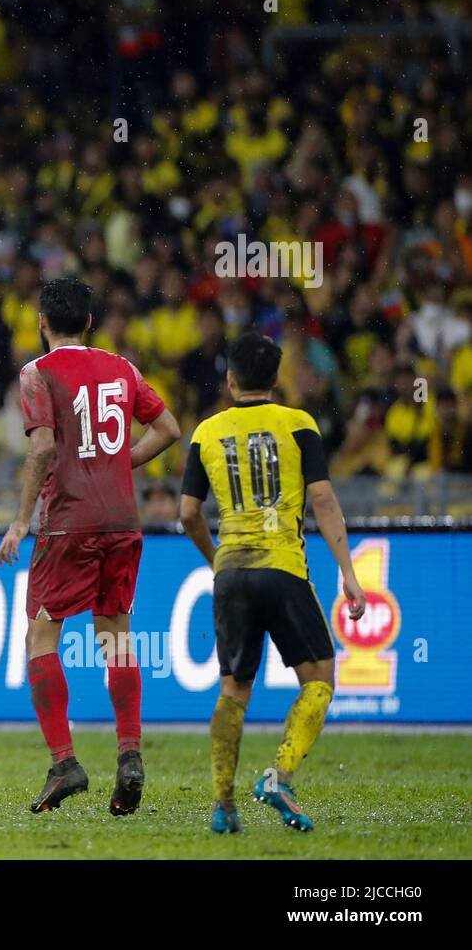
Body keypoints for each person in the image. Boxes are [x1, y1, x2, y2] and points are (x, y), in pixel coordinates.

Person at [0, 276, 180, 815]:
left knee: (41, 634)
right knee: (117, 636)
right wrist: (118, 462)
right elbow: (168, 428)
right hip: (123, 519)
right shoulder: (121, 369)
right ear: (90, 323)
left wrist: (19, 520)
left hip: (68, 522)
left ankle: (64, 763)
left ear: (41, 323)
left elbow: (43, 450)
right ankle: (129, 754)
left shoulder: (37, 373)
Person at [179, 331, 365, 834]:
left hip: (232, 571)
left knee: (234, 690)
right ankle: (279, 776)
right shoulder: (298, 424)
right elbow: (323, 500)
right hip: (282, 568)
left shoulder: (205, 432)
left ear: (230, 379)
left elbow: (188, 512)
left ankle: (222, 804)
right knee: (320, 681)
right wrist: (348, 573)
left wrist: (216, 558)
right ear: (276, 380)